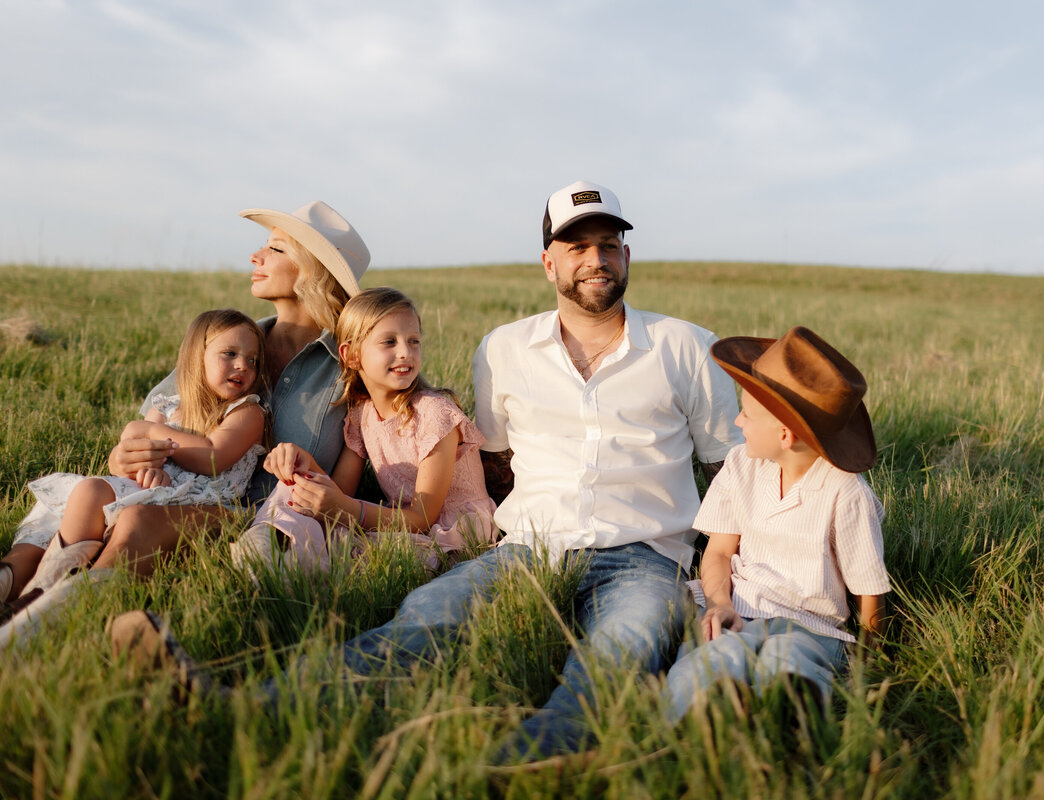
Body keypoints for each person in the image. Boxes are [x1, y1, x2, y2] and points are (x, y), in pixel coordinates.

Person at [111, 180, 742, 761]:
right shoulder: (505, 349)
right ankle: (239, 710)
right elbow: (493, 463)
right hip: (527, 547)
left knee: (623, 649)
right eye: (576, 247)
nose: (596, 260)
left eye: (609, 246)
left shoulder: (686, 346)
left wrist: (733, 579)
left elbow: (728, 475)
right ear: (549, 262)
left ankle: (537, 759)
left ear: (627, 257)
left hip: (646, 554)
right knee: (424, 617)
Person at [83, 201, 370, 581]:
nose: (256, 256)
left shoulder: (351, 370)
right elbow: (149, 428)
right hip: (178, 496)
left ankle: (48, 623)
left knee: (138, 522)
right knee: (74, 508)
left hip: (269, 525)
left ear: (312, 270)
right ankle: (25, 600)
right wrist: (125, 459)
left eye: (276, 248)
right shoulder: (229, 344)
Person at [661, 327, 891, 723]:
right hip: (740, 608)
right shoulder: (740, 464)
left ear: (785, 435)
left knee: (792, 657)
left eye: (746, 413)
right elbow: (718, 550)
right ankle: (701, 713)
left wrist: (870, 662)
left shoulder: (845, 493)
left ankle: (792, 711)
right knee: (719, 651)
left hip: (811, 626)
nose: (738, 420)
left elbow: (869, 593)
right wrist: (719, 603)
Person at [0, 309, 269, 608]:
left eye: (252, 360)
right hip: (160, 493)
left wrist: (149, 430)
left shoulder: (247, 412)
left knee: (91, 496)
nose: (242, 366)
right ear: (196, 356)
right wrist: (147, 470)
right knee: (87, 491)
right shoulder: (168, 407)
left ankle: (49, 598)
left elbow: (212, 457)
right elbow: (134, 457)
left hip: (203, 504)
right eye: (230, 353)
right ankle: (42, 586)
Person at [229, 287, 497, 576]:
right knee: (294, 486)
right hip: (398, 525)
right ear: (352, 355)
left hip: (448, 534)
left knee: (373, 560)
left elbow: (422, 517)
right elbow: (340, 492)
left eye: (414, 341)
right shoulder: (362, 414)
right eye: (389, 342)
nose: (405, 352)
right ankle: (263, 548)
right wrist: (303, 465)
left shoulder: (435, 414)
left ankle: (296, 567)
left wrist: (345, 507)